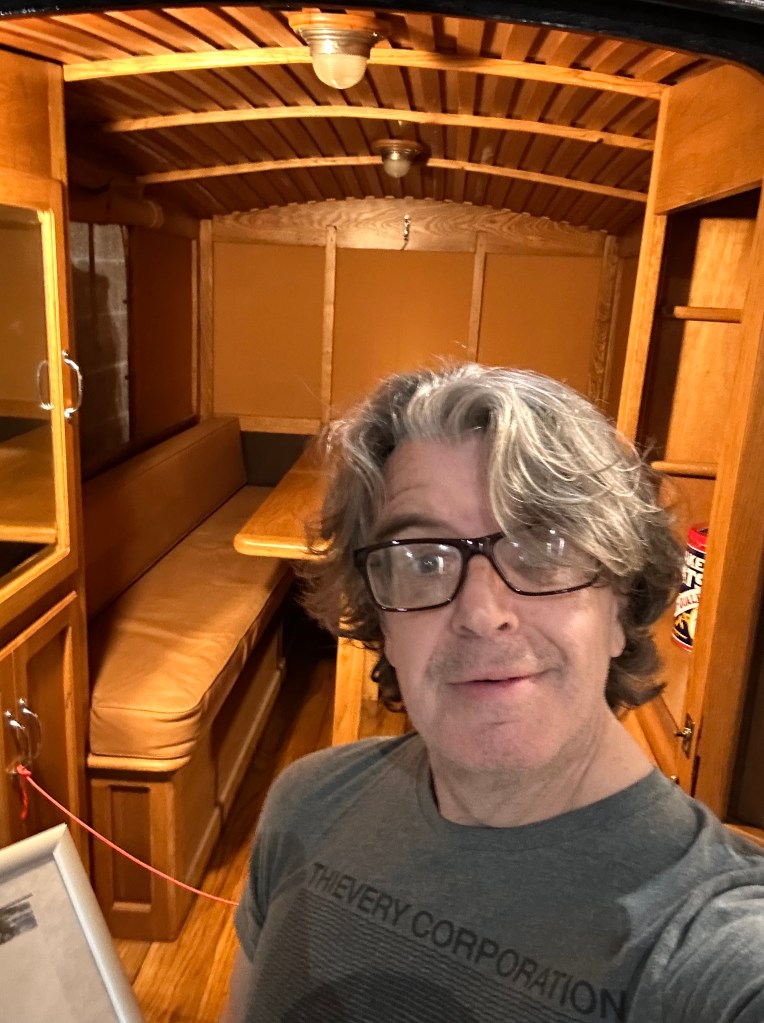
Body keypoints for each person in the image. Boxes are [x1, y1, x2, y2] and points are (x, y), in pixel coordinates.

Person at [222, 363, 764, 1023]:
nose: (482, 612)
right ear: (381, 621)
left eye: (544, 546)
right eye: (423, 560)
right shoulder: (305, 802)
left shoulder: (710, 937)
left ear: (622, 606)